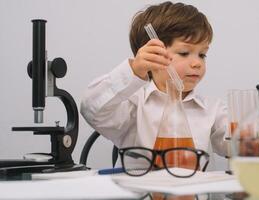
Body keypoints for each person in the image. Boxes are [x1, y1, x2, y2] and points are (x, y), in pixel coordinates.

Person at [80, 1, 228, 162]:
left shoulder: (212, 109)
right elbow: (91, 108)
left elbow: (238, 142)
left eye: (202, 55)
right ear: (153, 54)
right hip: (141, 187)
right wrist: (133, 70)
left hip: (193, 187)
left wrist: (253, 130)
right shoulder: (134, 105)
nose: (197, 63)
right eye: (185, 53)